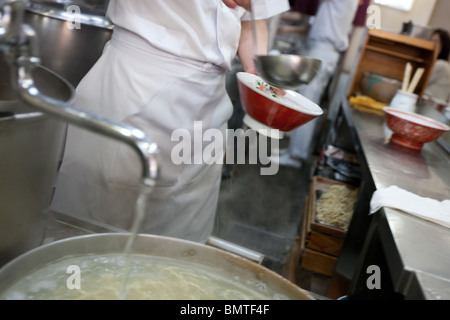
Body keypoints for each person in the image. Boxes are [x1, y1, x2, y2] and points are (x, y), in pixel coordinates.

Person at [50, 0, 290, 243]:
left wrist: (256, 73)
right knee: (93, 237)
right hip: (138, 83)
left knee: (178, 248)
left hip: (210, 105)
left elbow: (251, 21)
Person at [273, 0, 359, 169]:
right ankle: (293, 151)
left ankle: (296, 155)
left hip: (324, 50)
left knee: (306, 104)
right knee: (302, 101)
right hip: (321, 49)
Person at [426, 28, 450, 102]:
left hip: (430, 107)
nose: (432, 44)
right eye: (431, 40)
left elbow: (421, 82)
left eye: (436, 41)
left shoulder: (441, 65)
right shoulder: (444, 64)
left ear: (444, 45)